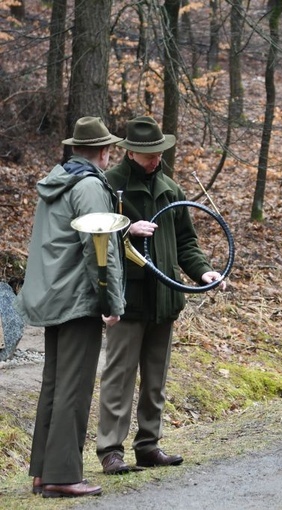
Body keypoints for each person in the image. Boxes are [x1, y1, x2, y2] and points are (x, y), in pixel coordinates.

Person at [96, 116, 226, 475]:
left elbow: (187, 242)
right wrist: (126, 228)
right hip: (127, 298)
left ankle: (148, 445)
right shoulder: (109, 186)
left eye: (159, 153)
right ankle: (110, 449)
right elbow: (93, 237)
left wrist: (203, 272)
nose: (155, 159)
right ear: (130, 153)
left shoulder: (171, 188)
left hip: (164, 297)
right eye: (148, 154)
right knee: (118, 377)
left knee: (156, 379)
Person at [16, 117, 124, 498]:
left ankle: (43, 473)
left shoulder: (57, 179)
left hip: (51, 296)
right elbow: (101, 251)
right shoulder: (91, 185)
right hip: (78, 299)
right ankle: (63, 476)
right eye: (110, 148)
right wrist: (111, 301)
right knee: (73, 389)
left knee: (54, 384)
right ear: (102, 150)